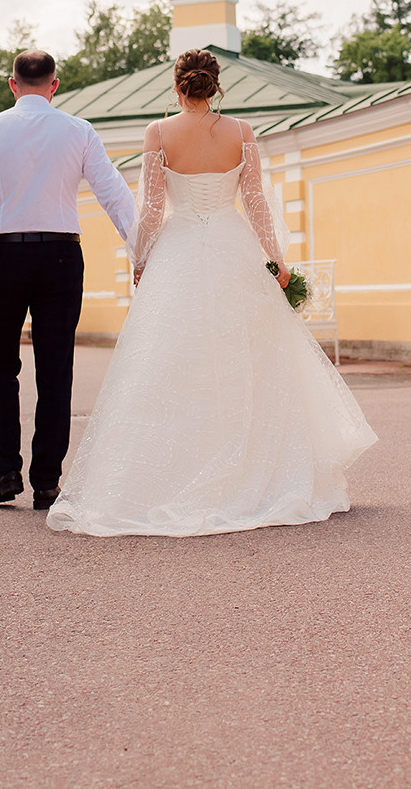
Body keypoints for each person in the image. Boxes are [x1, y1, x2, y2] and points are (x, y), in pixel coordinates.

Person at [47, 49, 377, 538]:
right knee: (249, 359)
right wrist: (276, 260)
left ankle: (175, 475)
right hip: (232, 244)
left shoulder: (158, 134)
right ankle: (254, 472)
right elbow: (256, 201)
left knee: (171, 361)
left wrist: (141, 261)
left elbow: (154, 207)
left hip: (178, 252)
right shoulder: (241, 132)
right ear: (216, 86)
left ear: (177, 87)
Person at [0, 49, 137, 510]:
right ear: (55, 85)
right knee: (56, 370)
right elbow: (114, 193)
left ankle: (7, 471)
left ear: (12, 84)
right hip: (60, 257)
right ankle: (47, 481)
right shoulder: (78, 131)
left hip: (4, 257)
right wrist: (141, 251)